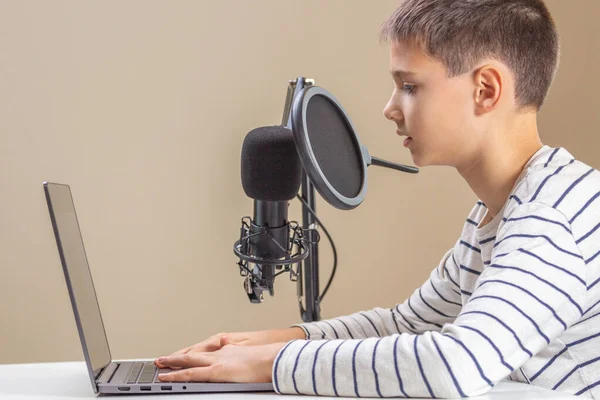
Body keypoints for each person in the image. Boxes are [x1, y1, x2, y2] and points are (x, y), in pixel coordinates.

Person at [155, 0, 600, 397]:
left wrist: (269, 365)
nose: (390, 108)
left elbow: (454, 365)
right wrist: (270, 341)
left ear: (486, 89)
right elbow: (406, 324)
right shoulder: (503, 211)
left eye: (409, 86)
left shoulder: (547, 221)